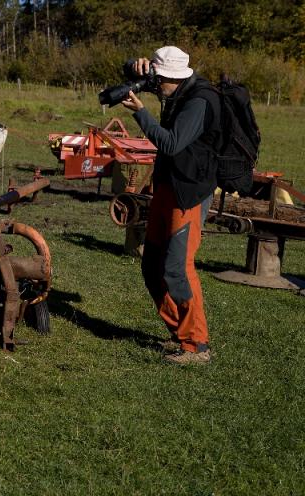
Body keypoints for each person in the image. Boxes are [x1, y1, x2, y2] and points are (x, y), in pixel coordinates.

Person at [120, 46, 220, 365]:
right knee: (152, 265)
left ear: (172, 78)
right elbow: (130, 75)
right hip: (167, 186)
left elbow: (172, 143)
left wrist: (140, 112)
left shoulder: (199, 102)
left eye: (157, 80)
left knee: (177, 267)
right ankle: (180, 333)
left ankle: (196, 345)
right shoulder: (172, 85)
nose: (155, 85)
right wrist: (132, 67)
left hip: (189, 192)